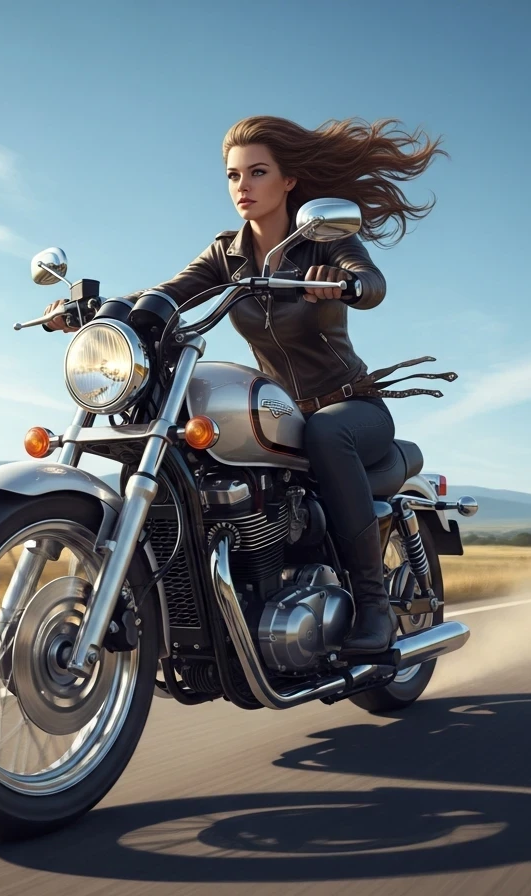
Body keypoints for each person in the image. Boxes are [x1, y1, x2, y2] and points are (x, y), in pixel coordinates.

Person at [44, 115, 448, 653]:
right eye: (233, 176)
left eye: (257, 173)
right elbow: (170, 291)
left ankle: (373, 608)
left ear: (288, 182)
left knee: (328, 435)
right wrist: (98, 310)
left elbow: (370, 281)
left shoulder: (324, 244)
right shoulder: (227, 254)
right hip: (287, 415)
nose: (243, 187)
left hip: (351, 409)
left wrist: (347, 283)